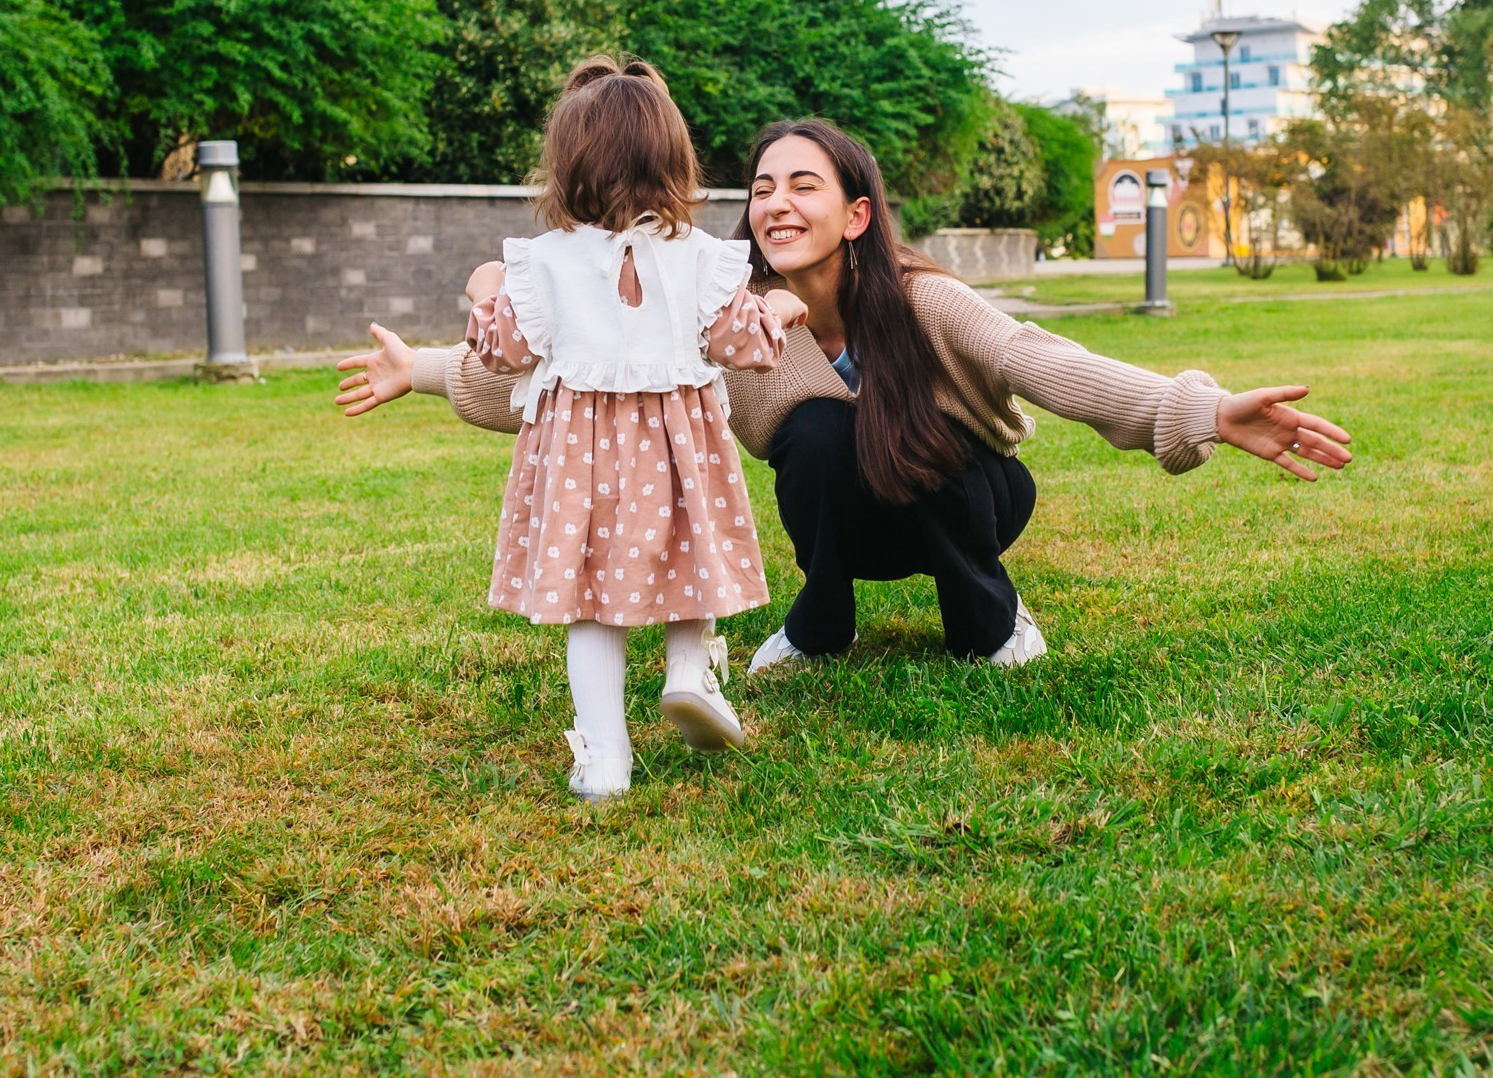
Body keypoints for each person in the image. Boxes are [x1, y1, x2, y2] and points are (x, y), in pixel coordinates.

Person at [355, 114, 1354, 674]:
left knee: (915, 441)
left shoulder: (922, 298)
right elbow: (570, 370)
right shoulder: (727, 313)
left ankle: (991, 623)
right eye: (761, 187)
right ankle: (820, 623)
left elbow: (1039, 359)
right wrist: (425, 369)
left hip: (966, 499)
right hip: (845, 516)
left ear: (854, 212)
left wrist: (1199, 410)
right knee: (821, 435)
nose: (775, 202)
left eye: (802, 185)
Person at [335, 59, 787, 802]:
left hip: (581, 458)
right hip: (680, 448)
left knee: (589, 601)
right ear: (674, 160)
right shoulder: (706, 260)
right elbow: (746, 347)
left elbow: (504, 351)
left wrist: (484, 284)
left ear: (568, 164)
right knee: (687, 552)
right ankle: (685, 670)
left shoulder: (539, 263)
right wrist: (775, 313)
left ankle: (606, 756)